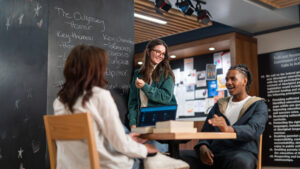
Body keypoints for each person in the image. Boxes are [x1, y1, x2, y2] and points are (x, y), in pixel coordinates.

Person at [53, 44, 189, 169]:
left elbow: (97, 139)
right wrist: (145, 149)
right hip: (104, 165)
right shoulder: (100, 96)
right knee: (151, 156)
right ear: (96, 69)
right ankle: (156, 159)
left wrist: (128, 139)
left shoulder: (59, 101)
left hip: (70, 165)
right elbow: (119, 144)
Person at [180, 64, 268, 169]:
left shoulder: (258, 104)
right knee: (176, 156)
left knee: (240, 162)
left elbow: (254, 129)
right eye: (226, 79)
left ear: (244, 81)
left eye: (232, 79)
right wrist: (203, 147)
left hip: (242, 153)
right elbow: (206, 132)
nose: (228, 82)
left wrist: (228, 129)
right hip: (215, 154)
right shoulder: (219, 104)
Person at [128, 39, 177, 128]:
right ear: (148, 51)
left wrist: (145, 87)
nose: (160, 56)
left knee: (154, 143)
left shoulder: (166, 74)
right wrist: (133, 123)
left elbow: (166, 97)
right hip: (141, 122)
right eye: (158, 52)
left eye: (163, 54)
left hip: (159, 122)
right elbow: (133, 102)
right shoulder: (138, 74)